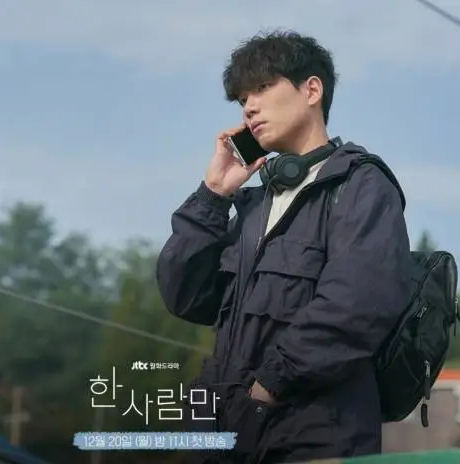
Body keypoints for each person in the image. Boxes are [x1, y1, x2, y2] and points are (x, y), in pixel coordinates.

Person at [156, 31, 412, 463]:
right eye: (242, 99)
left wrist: (268, 387)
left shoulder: (360, 185)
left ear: (311, 90)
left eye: (262, 87)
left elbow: (356, 305)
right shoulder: (254, 204)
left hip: (310, 435)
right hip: (221, 435)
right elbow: (184, 295)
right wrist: (214, 195)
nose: (249, 107)